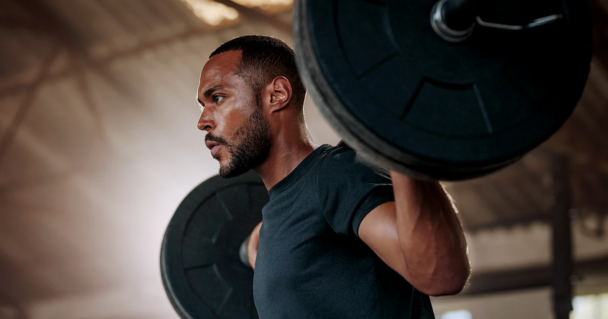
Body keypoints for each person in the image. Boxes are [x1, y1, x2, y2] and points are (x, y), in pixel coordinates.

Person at [196, 35, 469, 318]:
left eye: (217, 97)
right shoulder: (280, 216)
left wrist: (398, 132)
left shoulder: (336, 175)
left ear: (276, 95)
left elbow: (440, 274)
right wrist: (261, 244)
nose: (202, 121)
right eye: (202, 105)